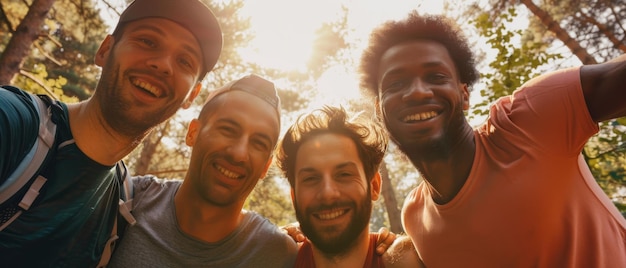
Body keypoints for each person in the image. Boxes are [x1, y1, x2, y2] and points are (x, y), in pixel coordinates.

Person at [358, 11, 626, 267]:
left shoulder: (528, 123)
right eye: (396, 83)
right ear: (379, 107)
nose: (416, 92)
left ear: (465, 95)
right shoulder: (414, 217)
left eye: (436, 77)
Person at [0, 0, 222, 266]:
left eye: (185, 61)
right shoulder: (13, 123)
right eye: (148, 41)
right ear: (105, 50)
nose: (163, 64)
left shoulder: (126, 206)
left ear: (192, 96)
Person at [108, 74, 298, 267]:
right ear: (193, 133)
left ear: (266, 166)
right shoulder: (124, 202)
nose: (239, 154)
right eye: (228, 130)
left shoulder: (280, 254)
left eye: (258, 143)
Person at [276, 105, 421, 267]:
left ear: (373, 186)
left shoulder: (406, 260)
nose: (327, 193)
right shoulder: (273, 258)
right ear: (294, 197)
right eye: (310, 178)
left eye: (344, 174)